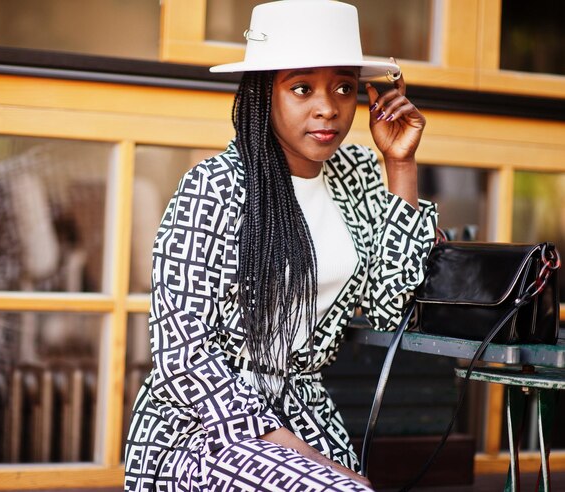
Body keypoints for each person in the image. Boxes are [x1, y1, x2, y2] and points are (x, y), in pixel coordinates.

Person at [125, 1, 438, 490]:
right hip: (205, 428)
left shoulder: (353, 175)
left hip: (308, 414)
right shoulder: (214, 188)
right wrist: (289, 447)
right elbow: (183, 354)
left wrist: (400, 164)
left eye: (344, 87)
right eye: (301, 87)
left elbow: (388, 306)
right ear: (262, 93)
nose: (328, 107)